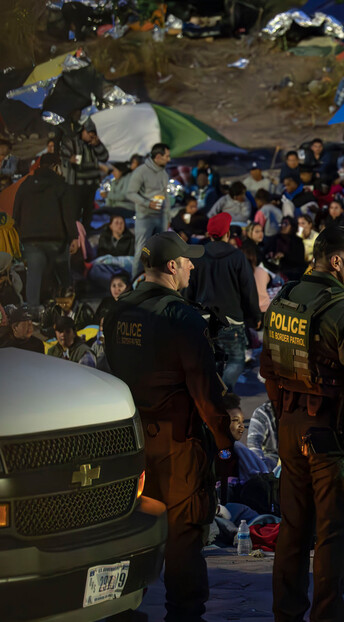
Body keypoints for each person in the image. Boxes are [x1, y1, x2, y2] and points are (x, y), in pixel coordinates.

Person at [102, 232, 236, 621]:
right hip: (178, 444)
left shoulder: (117, 310)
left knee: (130, 529)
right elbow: (206, 394)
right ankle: (185, 614)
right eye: (188, 260)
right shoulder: (180, 316)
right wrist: (225, 444)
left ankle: (120, 608)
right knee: (183, 534)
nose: (193, 265)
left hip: (132, 441)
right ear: (172, 266)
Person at [260, 226, 344, 621]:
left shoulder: (284, 300)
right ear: (336, 261)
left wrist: (285, 415)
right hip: (332, 438)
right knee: (334, 534)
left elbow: (269, 370)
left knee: (293, 530)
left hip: (290, 428)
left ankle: (287, 613)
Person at [186, 212, 263, 389]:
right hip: (231, 319)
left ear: (209, 234)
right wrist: (255, 316)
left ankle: (213, 394)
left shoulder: (198, 256)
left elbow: (188, 289)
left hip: (202, 320)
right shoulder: (237, 257)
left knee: (211, 361)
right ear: (227, 233)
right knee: (236, 359)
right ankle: (222, 392)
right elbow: (248, 289)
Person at [12, 153, 78, 308]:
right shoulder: (61, 184)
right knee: (63, 273)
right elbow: (68, 214)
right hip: (56, 238)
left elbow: (16, 213)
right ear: (56, 166)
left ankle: (33, 312)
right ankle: (67, 309)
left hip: (31, 239)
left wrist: (21, 235)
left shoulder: (26, 184)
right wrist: (73, 236)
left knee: (34, 275)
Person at [128, 144, 173, 276]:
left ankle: (158, 280)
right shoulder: (141, 171)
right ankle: (135, 281)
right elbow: (130, 193)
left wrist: (168, 217)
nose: (169, 160)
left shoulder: (164, 173)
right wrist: (147, 203)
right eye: (167, 156)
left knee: (161, 251)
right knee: (142, 250)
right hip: (145, 217)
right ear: (158, 157)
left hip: (161, 216)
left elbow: (166, 196)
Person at [59, 118, 110, 227]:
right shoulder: (72, 142)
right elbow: (63, 158)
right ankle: (74, 234)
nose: (91, 136)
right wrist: (70, 160)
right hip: (76, 184)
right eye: (89, 133)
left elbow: (104, 157)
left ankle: (86, 232)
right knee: (75, 212)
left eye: (93, 134)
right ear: (83, 131)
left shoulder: (94, 143)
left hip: (91, 184)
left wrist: (97, 145)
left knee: (88, 212)